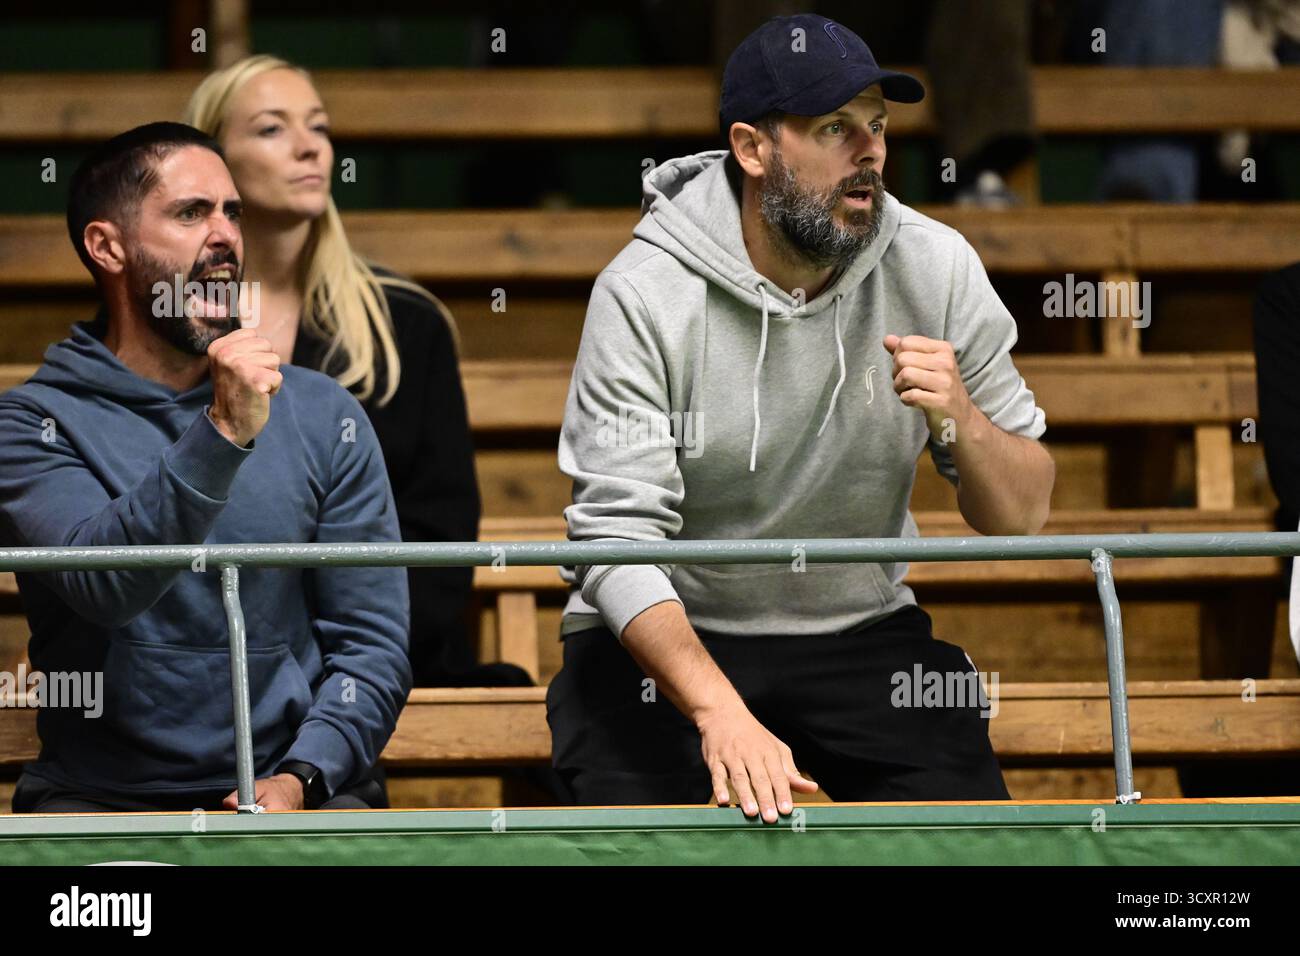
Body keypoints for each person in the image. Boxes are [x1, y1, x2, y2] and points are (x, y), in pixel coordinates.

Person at [549, 15, 1055, 821]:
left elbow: (1024, 513)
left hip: (857, 630)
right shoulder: (643, 293)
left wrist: (963, 418)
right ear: (752, 149)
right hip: (669, 635)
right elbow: (614, 545)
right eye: (835, 128)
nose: (872, 153)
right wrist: (719, 711)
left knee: (974, 838)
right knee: (639, 843)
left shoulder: (936, 265)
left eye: (879, 126)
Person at [0, 123, 411, 812]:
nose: (225, 235)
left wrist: (303, 776)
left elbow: (371, 645)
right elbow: (103, 584)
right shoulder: (31, 425)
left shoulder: (321, 413)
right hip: (103, 801)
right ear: (107, 247)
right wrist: (221, 432)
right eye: (191, 213)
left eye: (233, 212)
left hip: (301, 793)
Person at [183, 56, 524, 688]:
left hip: (377, 661)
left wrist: (350, 660)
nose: (310, 147)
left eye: (318, 126)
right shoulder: (171, 321)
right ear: (212, 161)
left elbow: (440, 539)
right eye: (271, 129)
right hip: (206, 666)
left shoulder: (406, 322)